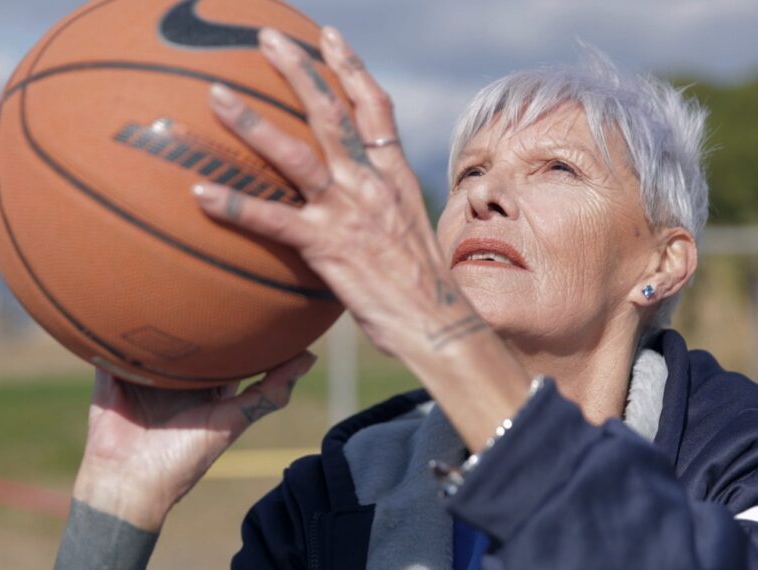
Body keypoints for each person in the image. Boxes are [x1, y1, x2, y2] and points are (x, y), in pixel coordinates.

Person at [54, 25, 758, 570]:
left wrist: (438, 330)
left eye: (557, 169)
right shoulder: (330, 503)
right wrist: (118, 507)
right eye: (470, 172)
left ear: (664, 264)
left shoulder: (734, 459)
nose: (484, 194)